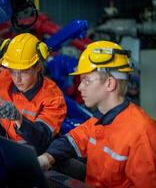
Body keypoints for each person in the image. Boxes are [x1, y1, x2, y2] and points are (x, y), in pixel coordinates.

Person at [38, 41, 156, 187]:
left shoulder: (141, 132)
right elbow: (72, 140)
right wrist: (46, 158)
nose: (80, 87)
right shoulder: (100, 119)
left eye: (86, 80)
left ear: (109, 84)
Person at [0, 33, 66, 154]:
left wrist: (18, 118)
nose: (17, 79)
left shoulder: (53, 97)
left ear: (38, 67)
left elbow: (42, 138)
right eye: (13, 71)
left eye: (24, 72)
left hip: (36, 155)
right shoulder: (1, 77)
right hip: (4, 145)